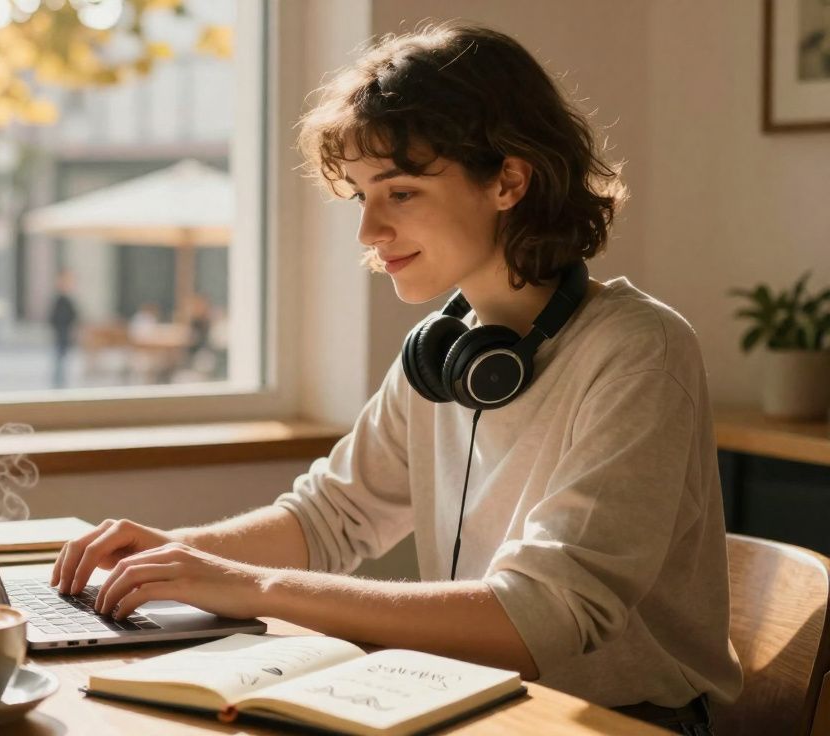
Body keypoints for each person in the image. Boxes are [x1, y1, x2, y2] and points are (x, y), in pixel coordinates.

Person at [51, 22, 740, 734]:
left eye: (401, 192)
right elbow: (328, 518)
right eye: (359, 196)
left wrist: (253, 587)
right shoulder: (443, 354)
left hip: (621, 721)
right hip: (478, 701)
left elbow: (542, 617)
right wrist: (173, 554)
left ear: (508, 180)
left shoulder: (639, 351)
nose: (368, 232)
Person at [48, 270, 78, 388]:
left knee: (62, 359)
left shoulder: (66, 300)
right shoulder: (60, 300)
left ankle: (60, 382)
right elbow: (55, 318)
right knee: (59, 359)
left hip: (64, 334)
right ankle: (58, 383)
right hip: (62, 334)